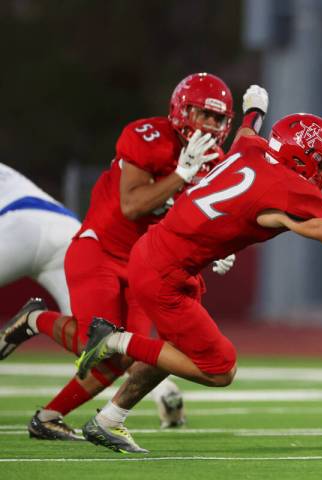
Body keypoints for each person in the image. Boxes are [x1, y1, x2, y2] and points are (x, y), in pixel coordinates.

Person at [71, 112, 322, 454]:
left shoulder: (252, 150)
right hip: (164, 271)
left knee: (181, 345)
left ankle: (108, 419)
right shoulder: (286, 191)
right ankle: (113, 340)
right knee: (219, 368)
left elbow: (245, 135)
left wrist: (254, 112)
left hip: (161, 252)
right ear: (298, 157)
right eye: (320, 163)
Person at [0, 74, 267, 440]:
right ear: (180, 109)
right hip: (101, 250)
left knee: (125, 356)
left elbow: (198, 212)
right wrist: (180, 175)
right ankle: (34, 320)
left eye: (217, 119)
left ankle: (48, 418)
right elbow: (131, 205)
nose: (208, 125)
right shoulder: (147, 136)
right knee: (94, 343)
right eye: (201, 114)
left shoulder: (213, 161)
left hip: (146, 265)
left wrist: (218, 248)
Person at [0, 163, 79, 315]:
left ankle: (35, 321)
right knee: (90, 331)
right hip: (69, 229)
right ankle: (36, 321)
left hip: (21, 225)